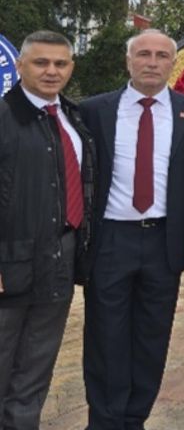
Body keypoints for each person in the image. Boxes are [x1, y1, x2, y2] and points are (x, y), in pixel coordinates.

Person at [79, 29, 184, 430]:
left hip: (164, 239)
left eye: (161, 55)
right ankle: (105, 420)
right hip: (111, 238)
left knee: (152, 337)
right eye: (143, 54)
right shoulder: (94, 110)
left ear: (173, 63)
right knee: (105, 337)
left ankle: (134, 418)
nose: (152, 62)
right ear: (128, 60)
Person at [0, 31, 94, 430]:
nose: (51, 71)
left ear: (71, 68)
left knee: (37, 366)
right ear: (19, 66)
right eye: (41, 62)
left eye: (60, 63)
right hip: (8, 265)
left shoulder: (73, 117)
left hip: (58, 260)